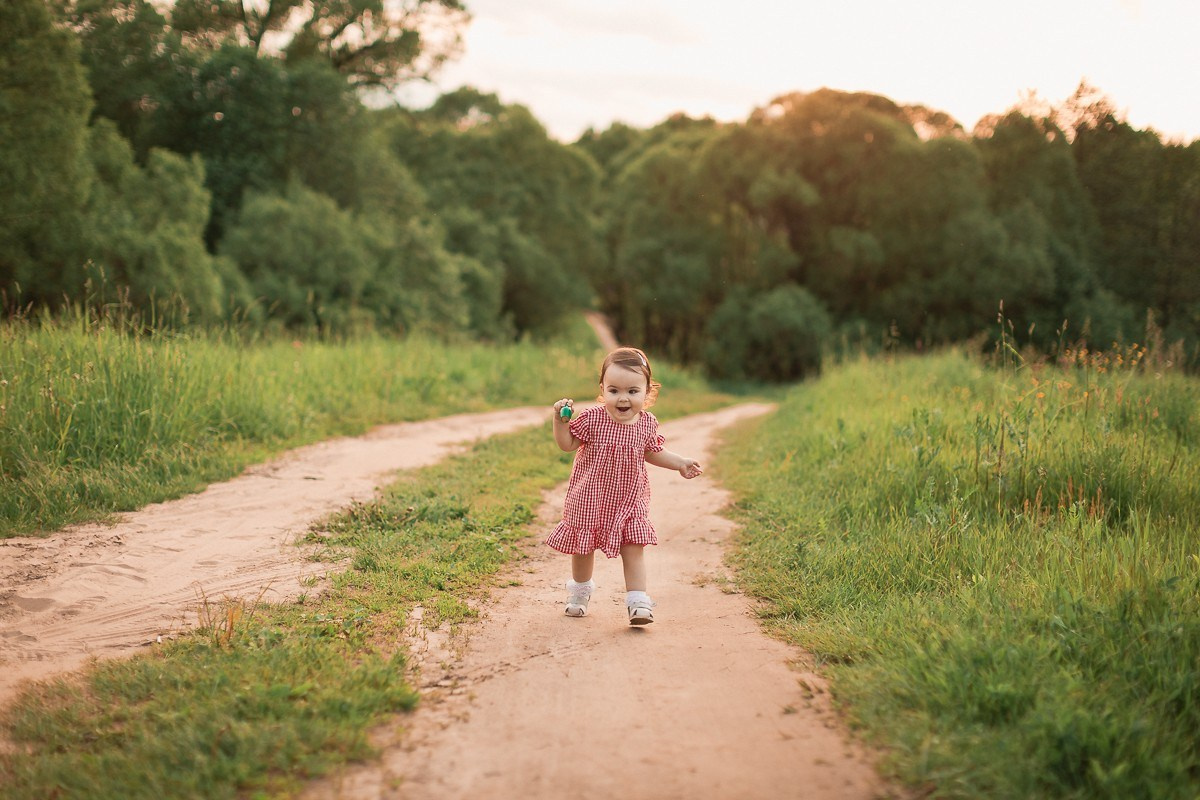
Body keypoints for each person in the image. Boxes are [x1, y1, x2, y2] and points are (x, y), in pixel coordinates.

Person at [548, 346, 703, 625]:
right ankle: (579, 592)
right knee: (583, 547)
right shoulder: (592, 419)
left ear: (647, 392)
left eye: (632, 391)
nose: (623, 398)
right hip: (590, 497)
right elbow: (567, 444)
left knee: (633, 545)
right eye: (614, 390)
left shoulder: (646, 424)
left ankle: (638, 601)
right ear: (602, 389)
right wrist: (560, 423)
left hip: (630, 498)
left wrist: (680, 462)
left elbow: (652, 452)